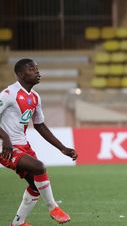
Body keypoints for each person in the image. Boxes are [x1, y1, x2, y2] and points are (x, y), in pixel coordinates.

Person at [0, 59, 78, 226]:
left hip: (22, 145)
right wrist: (5, 138)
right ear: (20, 74)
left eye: (37, 68)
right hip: (5, 148)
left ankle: (18, 223)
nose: (37, 71)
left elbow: (40, 125)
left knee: (35, 187)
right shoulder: (8, 94)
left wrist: (62, 148)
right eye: (31, 69)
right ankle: (53, 207)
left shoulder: (35, 97)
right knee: (39, 167)